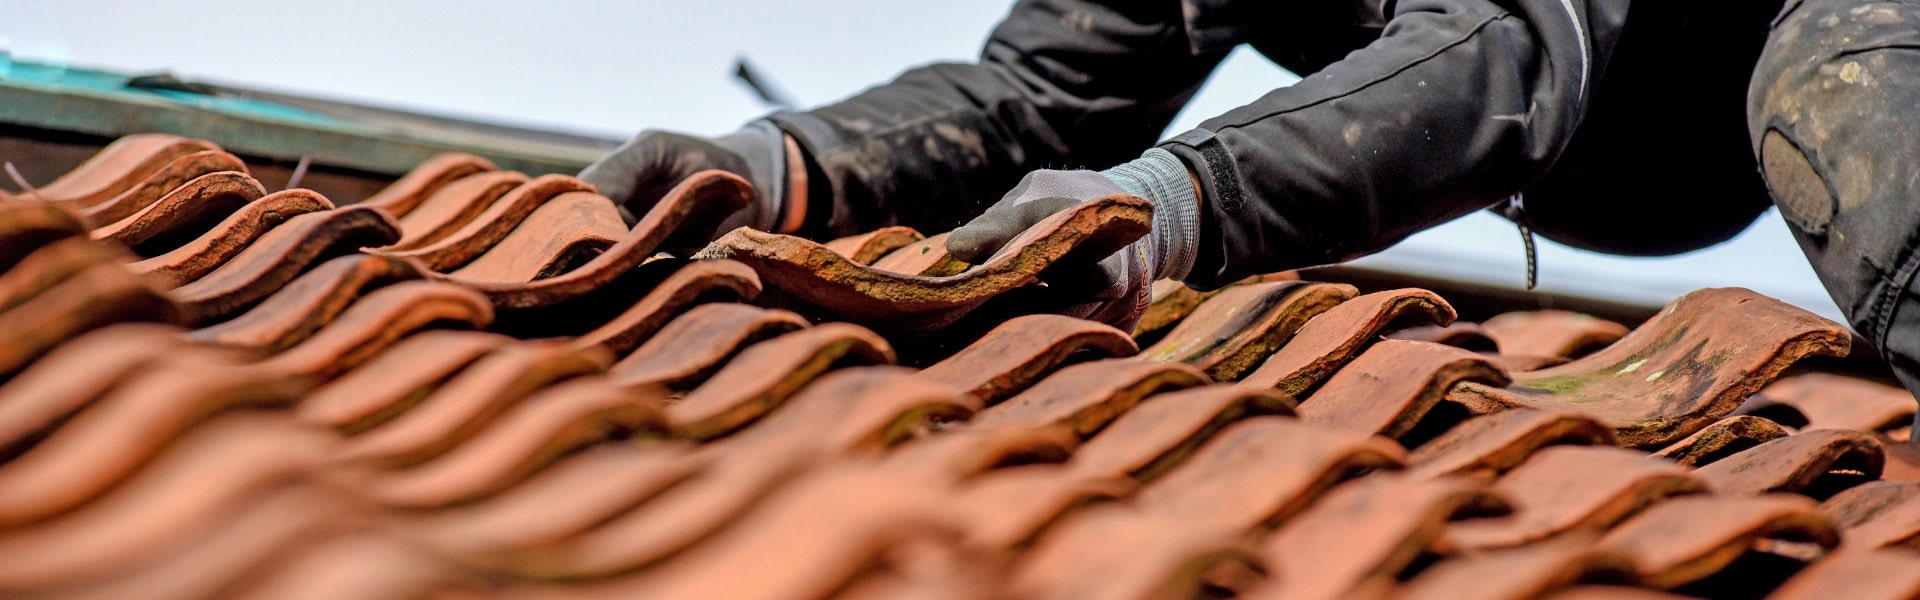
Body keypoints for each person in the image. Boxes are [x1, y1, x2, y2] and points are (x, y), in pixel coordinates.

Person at [588, 0, 1920, 387]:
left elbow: (1512, 54)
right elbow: (1042, 94)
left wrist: (1167, 206)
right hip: (1628, 153)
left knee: (1843, 81)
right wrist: (764, 167)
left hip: (1823, 41)